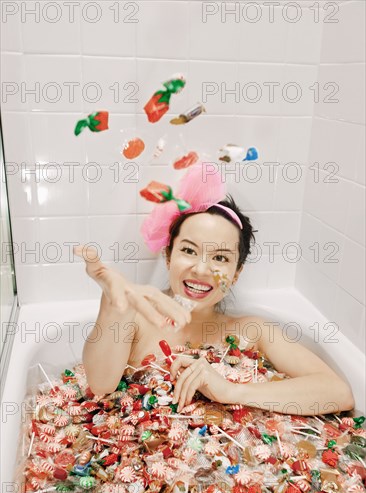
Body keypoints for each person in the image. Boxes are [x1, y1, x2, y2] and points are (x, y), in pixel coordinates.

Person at [74, 164, 355, 417]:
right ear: (169, 257)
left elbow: (337, 392)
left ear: (235, 274)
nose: (202, 269)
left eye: (220, 258)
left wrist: (230, 390)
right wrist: (113, 304)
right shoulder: (136, 320)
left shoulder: (250, 332)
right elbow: (100, 386)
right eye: (189, 251)